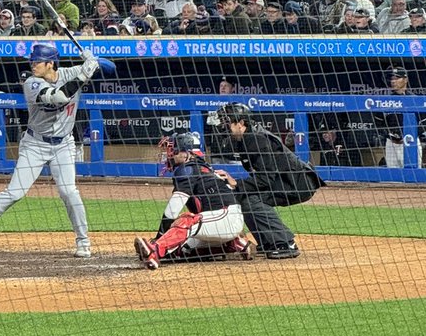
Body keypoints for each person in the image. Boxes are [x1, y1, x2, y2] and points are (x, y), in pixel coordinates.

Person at [0, 40, 99, 259]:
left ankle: (83, 241)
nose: (33, 65)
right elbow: (57, 98)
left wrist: (94, 61)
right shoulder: (32, 83)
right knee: (15, 193)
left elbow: (108, 68)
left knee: (69, 191)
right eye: (32, 61)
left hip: (64, 144)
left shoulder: (70, 72)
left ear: (51, 64)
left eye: (37, 61)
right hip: (35, 144)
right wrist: (85, 74)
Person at [216, 101, 324, 258]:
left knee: (251, 199)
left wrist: (237, 183)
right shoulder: (246, 138)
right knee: (245, 197)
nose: (223, 127)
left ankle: (285, 243)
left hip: (298, 182)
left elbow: (265, 179)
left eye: (227, 122)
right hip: (288, 179)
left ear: (241, 123)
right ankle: (270, 242)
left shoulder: (256, 139)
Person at [133, 131, 252, 270]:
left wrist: (158, 239)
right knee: (178, 249)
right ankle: (232, 244)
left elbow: (173, 210)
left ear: (186, 153)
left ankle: (154, 251)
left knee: (187, 220)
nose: (169, 154)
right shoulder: (199, 168)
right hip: (221, 222)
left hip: (225, 218)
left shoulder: (188, 170)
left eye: (173, 150)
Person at [374, 66, 422, 168]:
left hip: (411, 143)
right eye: (392, 79)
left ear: (405, 80)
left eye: (397, 78)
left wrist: (410, 134)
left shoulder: (415, 100)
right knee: (392, 179)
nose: (393, 81)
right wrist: (390, 135)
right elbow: (378, 124)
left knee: (414, 177)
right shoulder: (385, 101)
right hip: (392, 144)